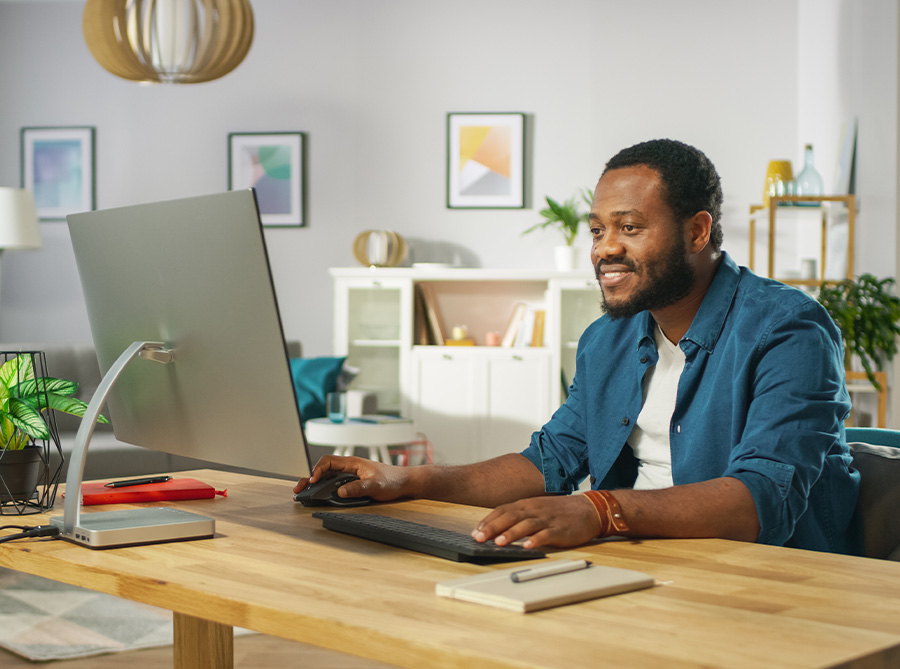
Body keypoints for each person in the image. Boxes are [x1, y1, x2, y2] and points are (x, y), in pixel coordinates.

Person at [295, 139, 862, 555]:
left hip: (764, 581)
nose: (604, 249)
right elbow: (553, 460)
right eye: (596, 230)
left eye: (629, 227)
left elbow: (760, 500)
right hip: (637, 561)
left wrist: (598, 510)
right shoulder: (607, 338)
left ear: (697, 231)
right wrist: (407, 480)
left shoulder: (789, 331)